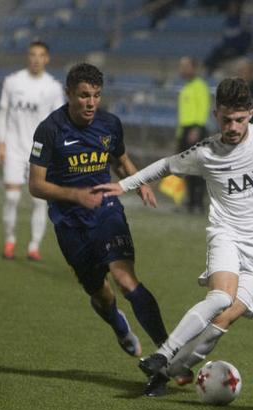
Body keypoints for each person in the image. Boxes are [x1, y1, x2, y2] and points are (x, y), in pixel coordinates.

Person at [97, 51, 253, 397]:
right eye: (226, 120)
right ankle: (163, 353)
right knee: (220, 297)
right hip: (227, 234)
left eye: (239, 119)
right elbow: (164, 165)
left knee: (223, 319)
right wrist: (125, 185)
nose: (233, 128)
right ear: (215, 115)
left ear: (250, 114)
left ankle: (169, 371)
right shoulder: (206, 153)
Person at [28, 63, 168, 358]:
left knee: (125, 279)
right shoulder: (49, 130)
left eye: (96, 95)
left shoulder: (110, 124)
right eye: (83, 95)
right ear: (68, 94)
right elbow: (36, 185)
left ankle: (169, 351)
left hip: (107, 212)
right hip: (69, 223)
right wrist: (74, 195)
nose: (91, 103)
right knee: (101, 294)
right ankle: (119, 326)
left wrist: (138, 181)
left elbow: (120, 160)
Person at [0, 41, 65, 261]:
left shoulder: (53, 87)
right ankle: (9, 241)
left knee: (39, 200)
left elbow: (60, 123)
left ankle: (34, 246)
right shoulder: (12, 81)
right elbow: (3, 112)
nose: (36, 59)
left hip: (40, 152)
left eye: (41, 55)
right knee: (12, 197)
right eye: (33, 54)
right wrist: (1, 143)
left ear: (47, 59)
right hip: (14, 148)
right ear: (28, 57)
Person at [176, 56, 212, 213]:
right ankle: (190, 201)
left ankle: (198, 203)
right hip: (185, 130)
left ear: (193, 68)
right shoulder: (186, 87)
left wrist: (196, 128)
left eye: (185, 66)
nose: (182, 70)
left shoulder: (200, 86)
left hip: (195, 130)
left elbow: (203, 108)